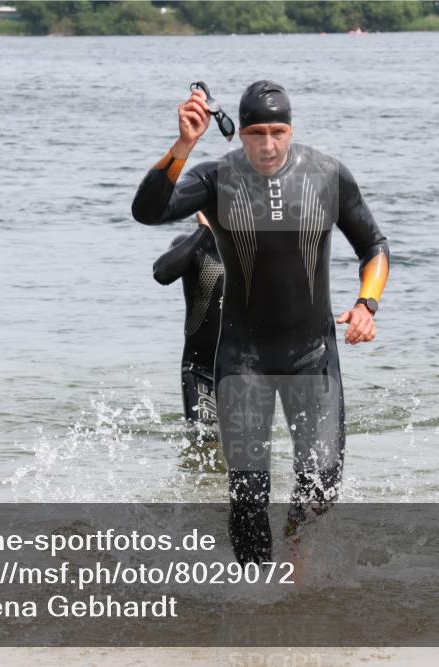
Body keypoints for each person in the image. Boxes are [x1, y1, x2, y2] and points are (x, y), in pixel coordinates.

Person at [132, 80, 389, 564]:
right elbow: (148, 212)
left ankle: (295, 551)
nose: (267, 145)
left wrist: (366, 304)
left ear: (290, 129)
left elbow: (373, 246)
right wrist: (184, 144)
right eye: (255, 133)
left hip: (313, 355)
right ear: (240, 133)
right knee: (248, 494)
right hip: (243, 359)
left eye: (277, 131)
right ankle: (255, 597)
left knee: (322, 486)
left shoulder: (327, 176)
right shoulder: (215, 179)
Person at [153, 211, 224, 428]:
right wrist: (205, 232)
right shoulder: (192, 244)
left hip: (247, 370)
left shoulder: (259, 248)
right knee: (203, 443)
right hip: (201, 370)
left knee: (248, 451)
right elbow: (163, 273)